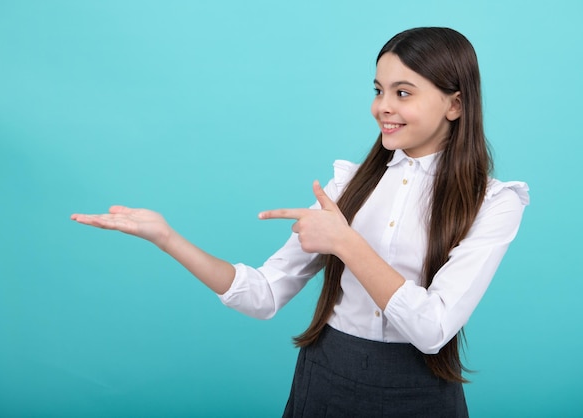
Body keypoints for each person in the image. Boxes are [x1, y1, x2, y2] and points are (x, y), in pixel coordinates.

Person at [71, 27, 529, 417]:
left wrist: (346, 243)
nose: (381, 107)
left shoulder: (493, 203)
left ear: (455, 104)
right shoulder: (348, 186)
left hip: (423, 391)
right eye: (378, 90)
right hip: (326, 378)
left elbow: (432, 330)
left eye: (402, 93)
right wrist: (167, 238)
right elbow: (263, 295)